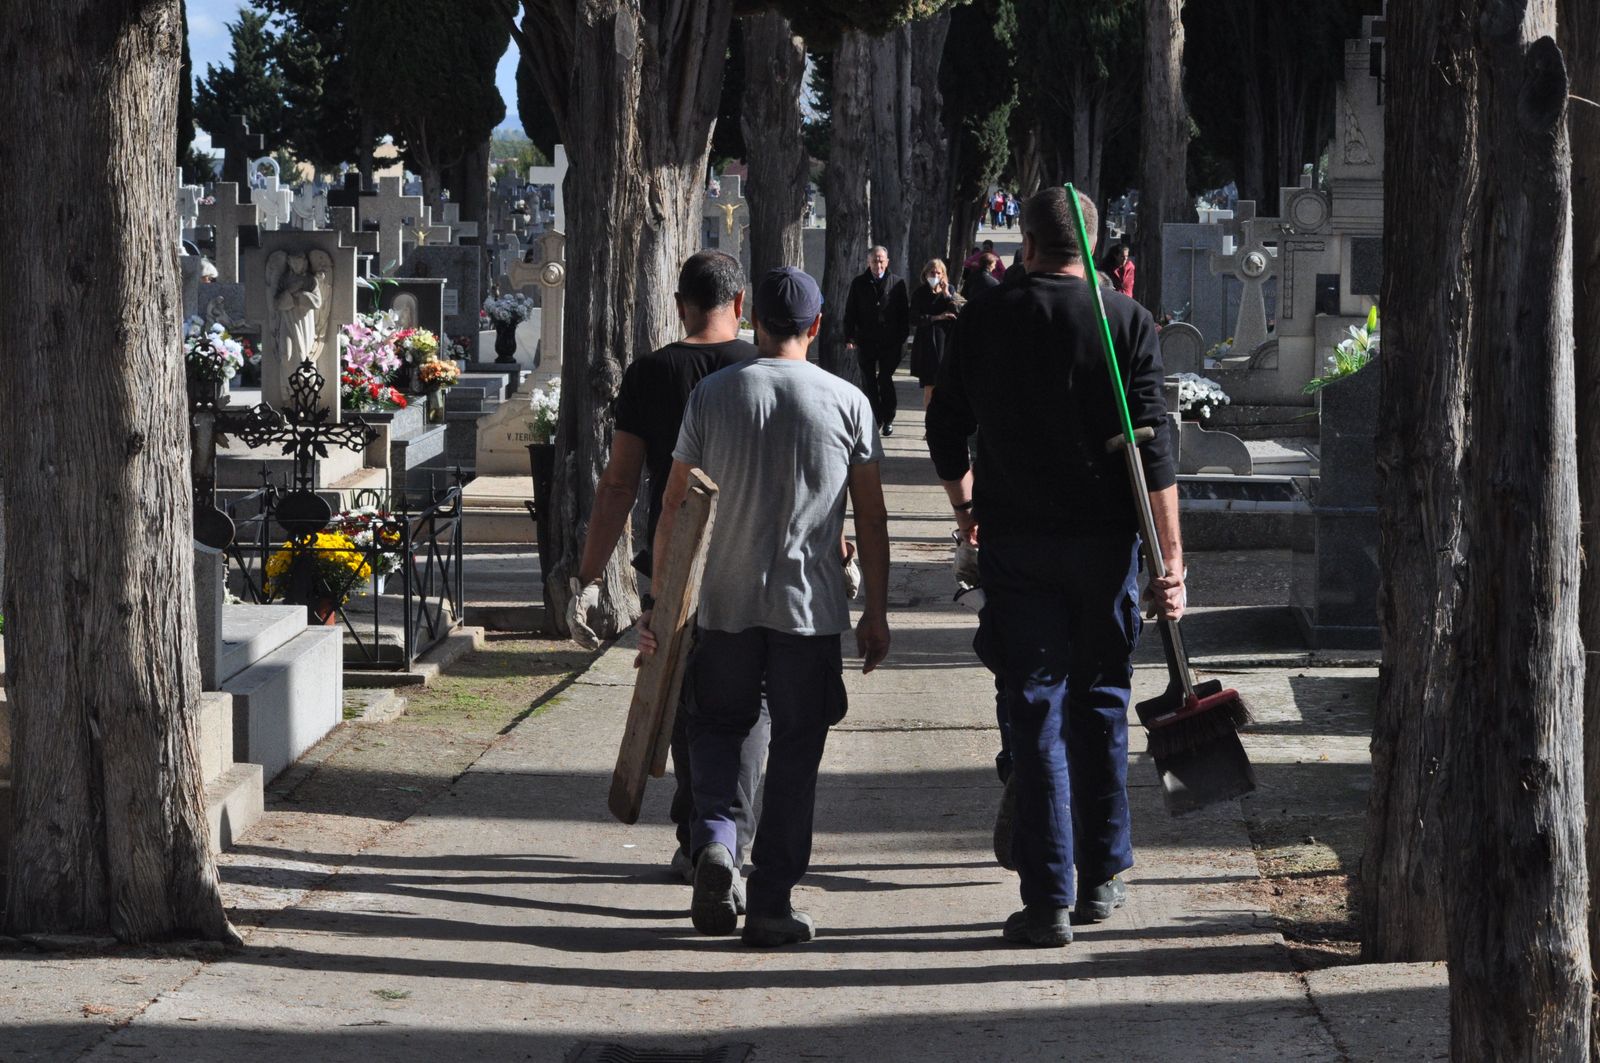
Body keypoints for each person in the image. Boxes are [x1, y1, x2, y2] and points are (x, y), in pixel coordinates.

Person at [926, 187, 1185, 948]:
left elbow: (947, 429)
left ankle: (1047, 896)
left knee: (1033, 706)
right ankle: (1103, 873)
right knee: (1101, 698)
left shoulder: (984, 317)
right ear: (1094, 246)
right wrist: (1172, 559)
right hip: (1107, 544)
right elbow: (1155, 446)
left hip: (1018, 543)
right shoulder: (1125, 321)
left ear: (1025, 246)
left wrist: (966, 509)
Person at [644, 266, 892, 947]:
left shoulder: (713, 395)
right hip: (807, 611)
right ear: (817, 328)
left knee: (718, 727)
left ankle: (717, 840)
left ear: (753, 320)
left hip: (722, 602)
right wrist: (876, 609)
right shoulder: (848, 402)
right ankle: (773, 897)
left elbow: (673, 503)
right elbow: (870, 518)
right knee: (795, 748)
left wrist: (664, 602)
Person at [566, 250, 769, 894]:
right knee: (744, 703)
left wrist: (590, 576)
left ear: (679, 305)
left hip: (677, 557)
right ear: (739, 306)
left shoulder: (652, 372)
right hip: (752, 558)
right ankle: (720, 835)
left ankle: (702, 835)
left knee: (688, 698)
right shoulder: (762, 369)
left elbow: (619, 484)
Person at [843, 246, 910, 437]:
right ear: (868, 262)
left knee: (885, 379)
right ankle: (876, 417)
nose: (878, 264)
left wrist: (901, 337)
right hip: (866, 340)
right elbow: (851, 312)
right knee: (869, 381)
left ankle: (888, 417)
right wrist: (849, 336)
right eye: (874, 260)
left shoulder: (897, 283)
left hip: (891, 342)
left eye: (881, 260)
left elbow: (903, 313)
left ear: (887, 261)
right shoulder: (859, 283)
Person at [909, 258, 963, 413]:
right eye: (932, 273)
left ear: (943, 275)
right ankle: (929, 424)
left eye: (938, 273)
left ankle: (942, 421)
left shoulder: (950, 290)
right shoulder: (920, 293)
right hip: (927, 342)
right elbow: (913, 318)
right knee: (930, 386)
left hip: (945, 341)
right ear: (926, 274)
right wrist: (936, 317)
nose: (935, 275)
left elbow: (957, 313)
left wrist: (947, 295)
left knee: (946, 386)